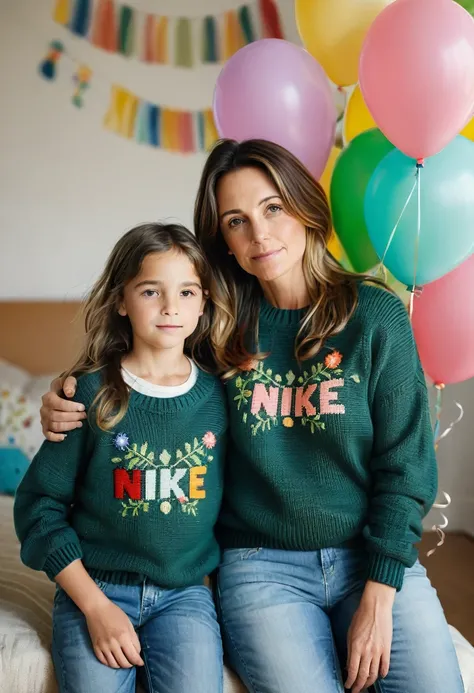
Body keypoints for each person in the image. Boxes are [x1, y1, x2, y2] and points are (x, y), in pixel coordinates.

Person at [39, 140, 464, 693]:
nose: (259, 234)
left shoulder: (376, 316)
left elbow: (406, 467)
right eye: (236, 221)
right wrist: (67, 388)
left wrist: (381, 596)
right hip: (261, 568)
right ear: (226, 244)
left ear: (305, 208)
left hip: (371, 555)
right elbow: (143, 374)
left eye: (273, 208)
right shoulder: (217, 326)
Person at [15, 223, 227, 693]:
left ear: (204, 302)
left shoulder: (219, 397)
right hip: (97, 589)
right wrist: (94, 606)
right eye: (151, 290)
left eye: (187, 291)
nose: (172, 306)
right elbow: (39, 509)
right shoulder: (87, 394)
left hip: (185, 597)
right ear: (120, 300)